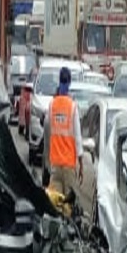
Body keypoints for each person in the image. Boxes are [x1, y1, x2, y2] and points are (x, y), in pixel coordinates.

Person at [45, 64, 82, 194]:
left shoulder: (52, 105)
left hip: (55, 163)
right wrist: (81, 164)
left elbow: (47, 129)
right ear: (70, 82)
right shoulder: (72, 107)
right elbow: (77, 138)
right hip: (69, 166)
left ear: (59, 80)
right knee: (68, 204)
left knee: (55, 202)